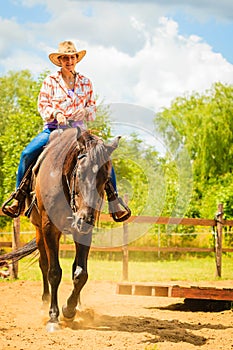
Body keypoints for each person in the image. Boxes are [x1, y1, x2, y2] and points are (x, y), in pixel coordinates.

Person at [3, 40, 130, 221]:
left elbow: (93, 108)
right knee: (27, 153)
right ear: (60, 60)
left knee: (104, 155)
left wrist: (85, 111)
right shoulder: (50, 81)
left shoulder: (86, 82)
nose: (69, 61)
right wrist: (56, 113)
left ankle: (114, 200)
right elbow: (42, 104)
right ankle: (19, 196)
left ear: (76, 59)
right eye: (65, 58)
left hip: (80, 132)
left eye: (72, 58)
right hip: (54, 129)